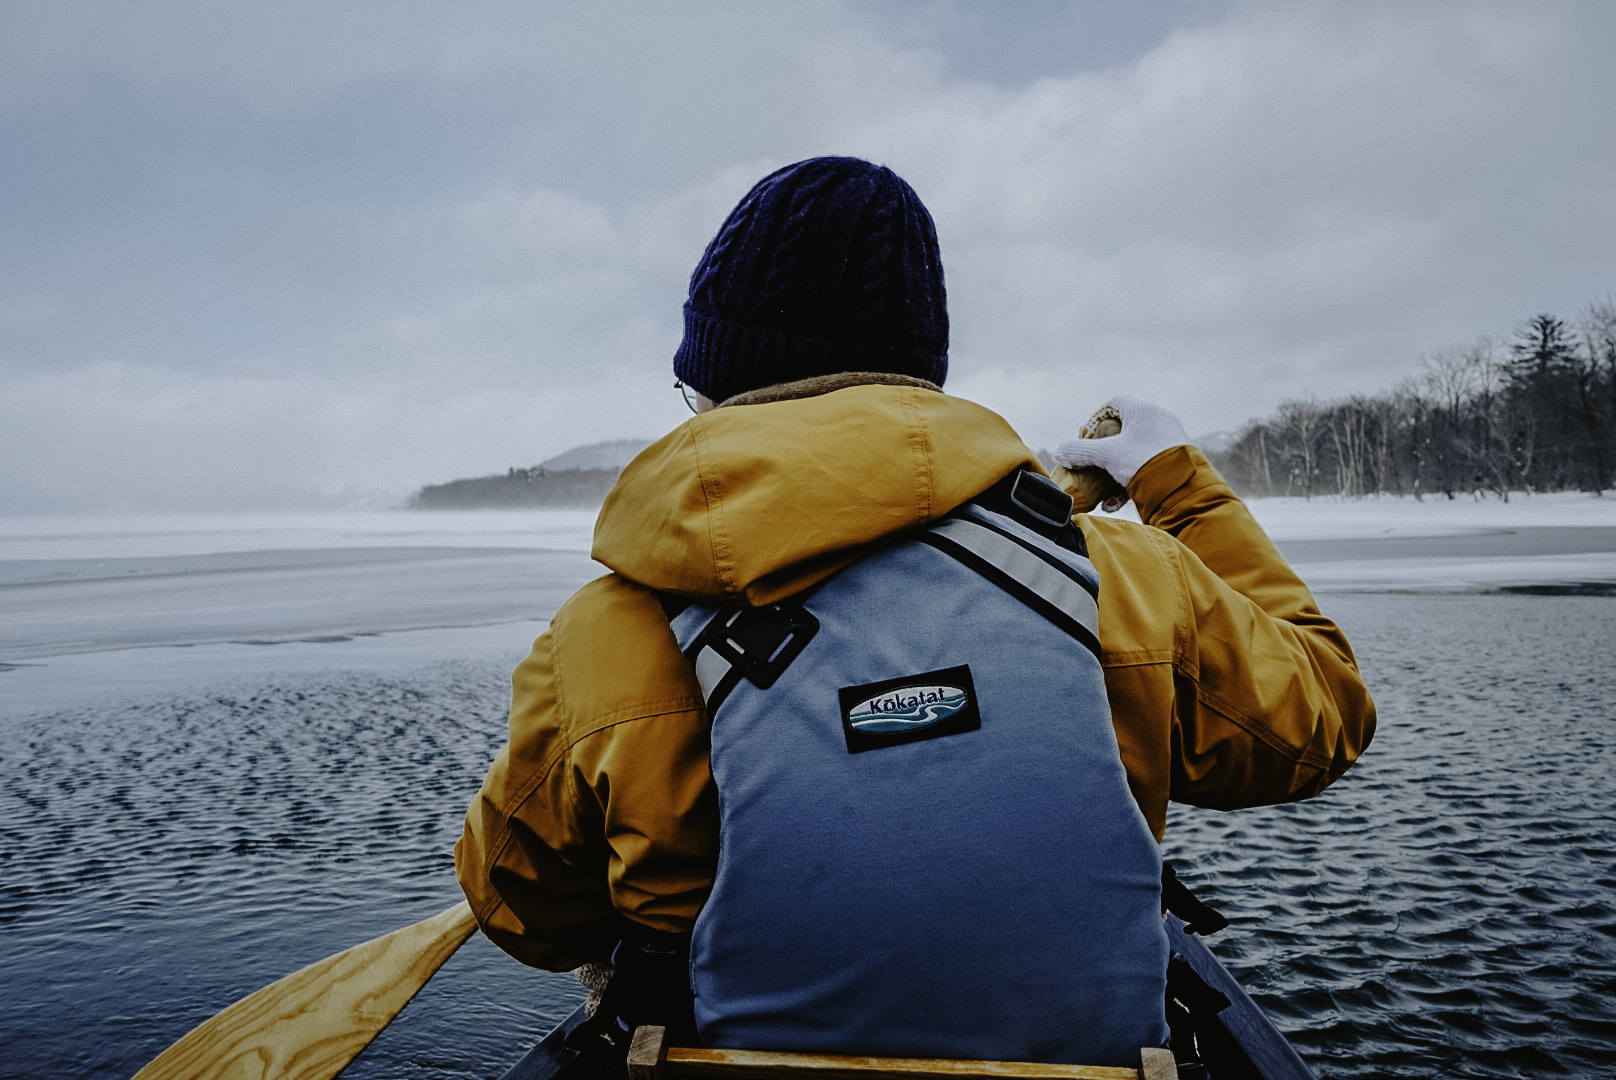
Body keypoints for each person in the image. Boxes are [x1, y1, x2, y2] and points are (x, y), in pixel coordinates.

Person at [455, 156, 1375, 1067]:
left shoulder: (601, 636)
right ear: (919, 374)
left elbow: (525, 911)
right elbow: (1323, 716)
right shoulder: (1128, 580)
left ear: (711, 387)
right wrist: (1180, 485)